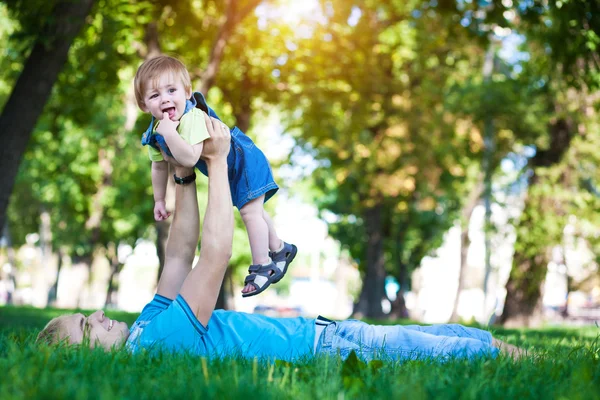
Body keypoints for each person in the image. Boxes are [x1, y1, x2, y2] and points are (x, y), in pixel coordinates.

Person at [36, 116, 525, 361]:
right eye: (87, 325)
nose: (99, 314)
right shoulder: (157, 346)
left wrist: (183, 179)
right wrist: (216, 162)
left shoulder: (144, 327)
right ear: (86, 354)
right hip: (322, 349)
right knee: (442, 350)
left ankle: (515, 354)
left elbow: (180, 252)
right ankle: (527, 359)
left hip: (321, 331)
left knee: (449, 338)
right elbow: (216, 255)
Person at [135, 54, 296, 297]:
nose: (165, 99)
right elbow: (158, 166)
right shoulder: (156, 131)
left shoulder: (191, 119)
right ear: (144, 105)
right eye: (155, 95)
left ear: (187, 92)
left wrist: (170, 135)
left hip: (245, 160)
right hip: (227, 169)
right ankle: (280, 248)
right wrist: (159, 199)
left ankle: (263, 264)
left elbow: (188, 158)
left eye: (171, 90)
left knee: (250, 212)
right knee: (255, 209)